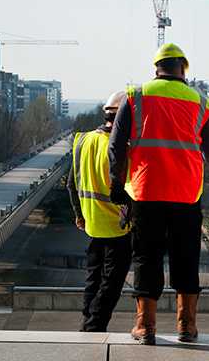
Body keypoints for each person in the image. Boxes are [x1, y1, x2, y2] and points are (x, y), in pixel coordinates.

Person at [108, 43, 209, 345]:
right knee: (186, 256)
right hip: (186, 193)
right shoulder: (201, 101)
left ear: (156, 69)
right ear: (183, 69)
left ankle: (145, 327)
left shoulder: (136, 95)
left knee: (147, 256)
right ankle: (187, 326)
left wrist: (116, 185)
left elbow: (116, 147)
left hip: (146, 191)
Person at [67, 90, 132, 332]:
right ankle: (94, 325)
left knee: (93, 278)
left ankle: (87, 321)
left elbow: (72, 183)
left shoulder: (82, 141)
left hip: (92, 225)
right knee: (112, 283)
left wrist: (79, 214)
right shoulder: (123, 147)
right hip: (119, 227)